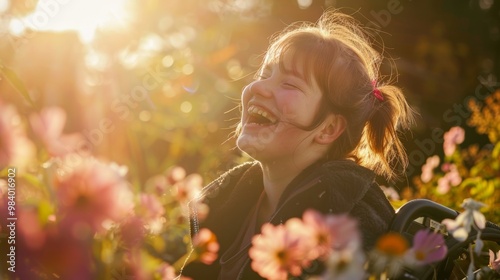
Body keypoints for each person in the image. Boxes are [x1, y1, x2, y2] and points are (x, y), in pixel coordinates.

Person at [181, 9, 414, 280]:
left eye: (289, 84)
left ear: (328, 129)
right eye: (264, 75)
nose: (258, 88)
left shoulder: (350, 223)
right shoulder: (230, 201)